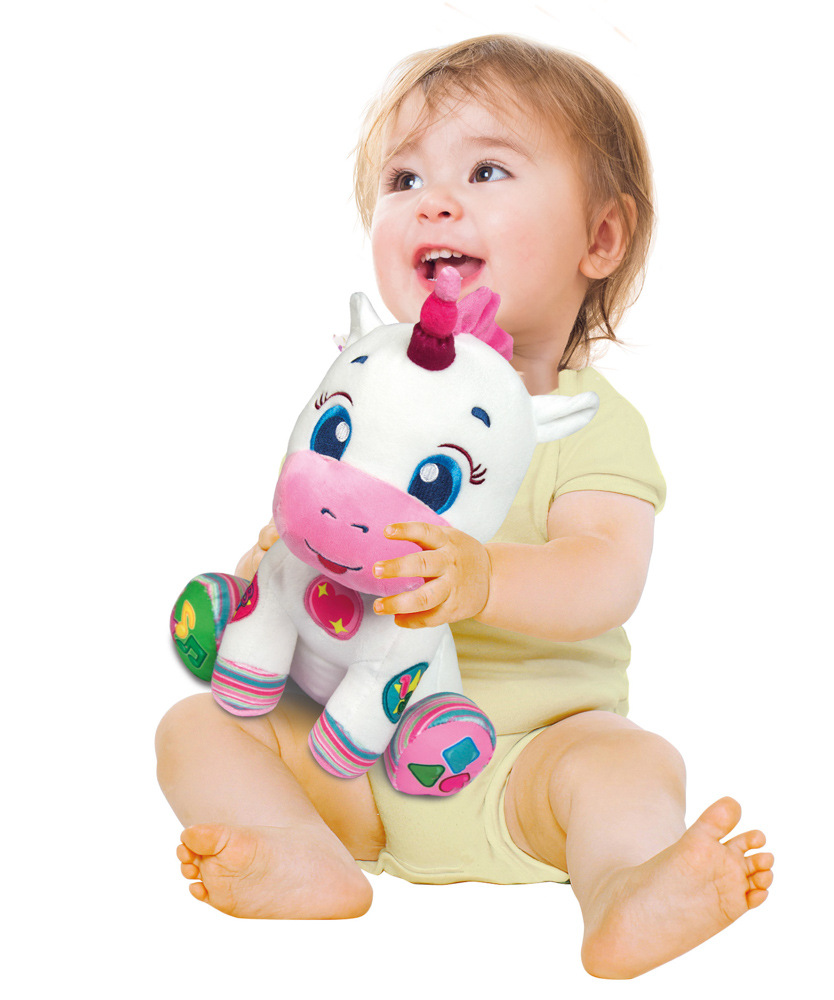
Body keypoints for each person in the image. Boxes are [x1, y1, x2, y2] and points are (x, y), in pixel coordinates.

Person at [155, 35, 773, 978]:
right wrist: (274, 569)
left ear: (600, 239)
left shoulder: (592, 423)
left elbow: (606, 572)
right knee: (194, 727)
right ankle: (305, 855)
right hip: (355, 757)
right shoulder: (367, 397)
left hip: (531, 763)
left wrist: (482, 579)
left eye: (486, 171)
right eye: (404, 179)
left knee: (633, 764)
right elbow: (317, 523)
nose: (433, 200)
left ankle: (623, 888)